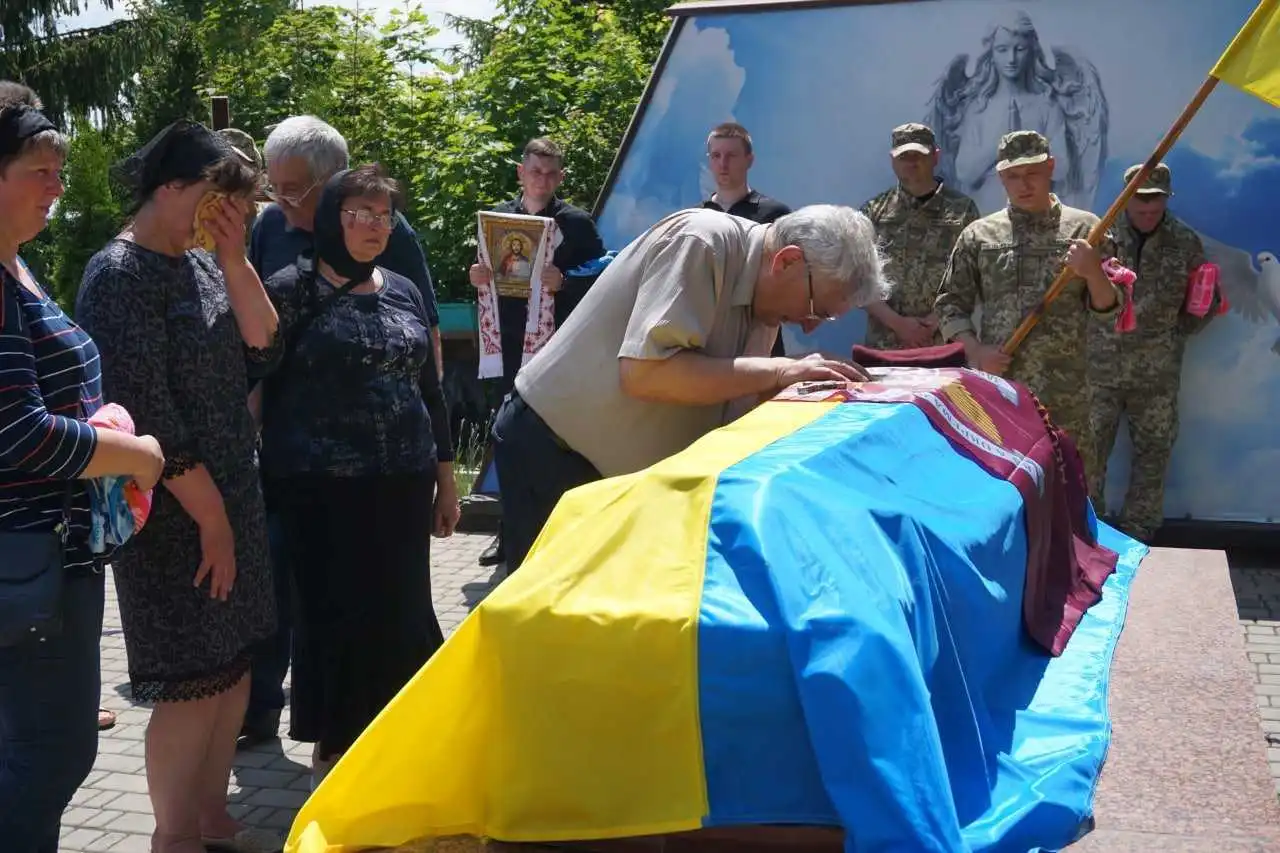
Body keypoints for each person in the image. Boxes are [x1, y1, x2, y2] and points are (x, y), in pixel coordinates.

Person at [76, 119, 282, 853]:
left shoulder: (203, 263)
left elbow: (264, 345)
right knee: (192, 680)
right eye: (214, 198)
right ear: (169, 187)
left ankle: (211, 815)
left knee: (234, 668)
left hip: (232, 492)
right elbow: (149, 414)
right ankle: (173, 835)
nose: (225, 213)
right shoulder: (118, 275)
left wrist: (235, 259)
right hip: (173, 511)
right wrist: (212, 521)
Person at [491, 204, 887, 573]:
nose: (810, 327)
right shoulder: (701, 243)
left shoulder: (766, 298)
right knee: (546, 618)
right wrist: (779, 370)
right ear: (787, 261)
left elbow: (730, 403)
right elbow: (646, 374)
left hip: (616, 481)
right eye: (817, 309)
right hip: (552, 453)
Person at [242, 114, 445, 746]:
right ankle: (330, 747)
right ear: (336, 214)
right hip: (319, 487)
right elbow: (253, 377)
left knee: (401, 612)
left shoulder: (402, 283)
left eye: (384, 215)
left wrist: (446, 477)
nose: (374, 225)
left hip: (401, 482)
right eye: (360, 213)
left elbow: (430, 383)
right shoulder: (289, 285)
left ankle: (400, 741)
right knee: (329, 619)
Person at [0, 81, 165, 853]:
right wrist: (136, 454)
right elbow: (17, 433)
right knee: (52, 753)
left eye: (59, 171)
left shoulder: (17, 269)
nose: (58, 187)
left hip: (45, 557)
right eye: (40, 171)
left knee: (31, 752)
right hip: (27, 564)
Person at [934, 130, 1124, 481]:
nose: (1024, 184)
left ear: (1050, 167)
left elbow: (1111, 308)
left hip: (1069, 392)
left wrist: (1092, 271)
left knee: (1075, 485)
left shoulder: (1086, 229)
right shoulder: (980, 235)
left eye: (1032, 172)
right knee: (1009, 485)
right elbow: (950, 303)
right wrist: (975, 351)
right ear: (1001, 177)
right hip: (1005, 391)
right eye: (1013, 176)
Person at [469, 137, 606, 569]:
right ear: (520, 173)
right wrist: (476, 276)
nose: (542, 180)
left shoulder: (577, 223)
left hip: (558, 347)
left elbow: (604, 276)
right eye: (534, 171)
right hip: (508, 345)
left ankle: (557, 531)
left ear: (560, 177)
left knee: (553, 439)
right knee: (506, 436)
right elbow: (486, 275)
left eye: (550, 173)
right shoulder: (498, 220)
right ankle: (507, 531)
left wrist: (565, 282)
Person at [1088, 163, 1216, 543]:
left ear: (1166, 198)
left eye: (1155, 200)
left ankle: (1138, 534)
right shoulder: (1101, 237)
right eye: (1140, 200)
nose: (1148, 209)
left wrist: (1175, 335)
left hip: (1157, 373)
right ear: (1127, 199)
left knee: (1154, 451)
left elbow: (1205, 300)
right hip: (1100, 368)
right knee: (1089, 450)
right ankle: (1088, 529)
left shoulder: (1185, 242)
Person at [860, 123, 979, 351]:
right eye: (904, 157)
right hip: (886, 344)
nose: (912, 163)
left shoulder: (963, 210)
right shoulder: (874, 212)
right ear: (893, 160)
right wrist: (899, 324)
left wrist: (934, 322)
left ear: (935, 157)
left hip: (943, 340)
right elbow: (859, 279)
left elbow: (973, 276)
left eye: (919, 155)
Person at [699, 121, 793, 358]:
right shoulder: (697, 217)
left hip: (760, 336)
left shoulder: (775, 214)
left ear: (749, 160)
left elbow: (790, 279)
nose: (723, 164)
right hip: (708, 342)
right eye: (716, 156)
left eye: (731, 156)